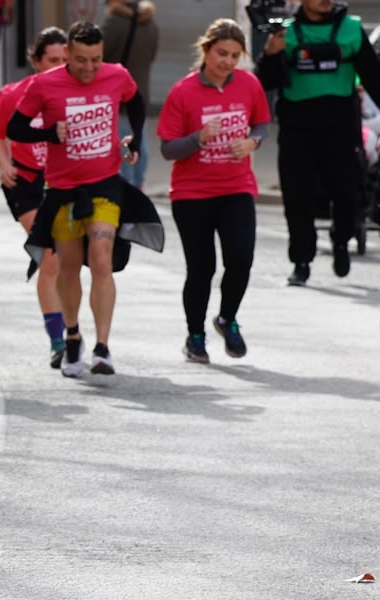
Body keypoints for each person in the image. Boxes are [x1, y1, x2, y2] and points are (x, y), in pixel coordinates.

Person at [6, 21, 163, 378]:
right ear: (68, 56)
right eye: (80, 60)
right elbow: (15, 128)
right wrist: (48, 133)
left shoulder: (117, 75)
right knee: (69, 267)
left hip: (106, 184)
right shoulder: (45, 84)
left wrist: (135, 138)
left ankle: (103, 347)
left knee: (102, 259)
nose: (89, 68)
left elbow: (136, 103)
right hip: (62, 190)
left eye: (95, 59)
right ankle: (72, 334)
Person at [159, 19, 269, 363]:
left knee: (241, 259)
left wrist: (254, 141)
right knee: (201, 268)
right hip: (192, 193)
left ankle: (227, 318)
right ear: (206, 50)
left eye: (236, 56)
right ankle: (195, 336)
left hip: (236, 187)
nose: (228, 62)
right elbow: (167, 148)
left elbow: (262, 122)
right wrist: (198, 138)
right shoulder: (183, 91)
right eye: (222, 53)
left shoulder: (249, 85)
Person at [255, 0, 380, 284]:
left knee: (347, 192)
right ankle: (301, 260)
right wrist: (271, 55)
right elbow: (265, 81)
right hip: (297, 128)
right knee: (298, 197)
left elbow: (373, 77)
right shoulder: (285, 33)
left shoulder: (351, 29)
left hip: (341, 128)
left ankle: (341, 240)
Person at [0, 26, 67, 368]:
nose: (59, 66)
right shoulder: (14, 94)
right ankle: (58, 340)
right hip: (26, 182)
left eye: (65, 60)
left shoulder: (74, 94)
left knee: (65, 260)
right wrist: (4, 165)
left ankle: (70, 330)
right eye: (52, 60)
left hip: (64, 181)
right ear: (36, 61)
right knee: (51, 258)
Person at [102, 0, 158, 189]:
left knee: (123, 142)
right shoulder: (150, 24)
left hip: (117, 95)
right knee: (139, 139)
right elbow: (151, 56)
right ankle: (138, 185)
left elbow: (98, 58)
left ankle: (128, 190)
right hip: (141, 92)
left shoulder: (114, 23)